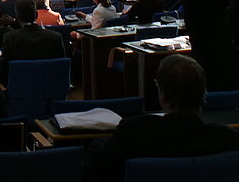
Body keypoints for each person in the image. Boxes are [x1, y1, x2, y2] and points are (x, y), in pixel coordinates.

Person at [84, 55, 239, 182]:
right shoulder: (228, 139)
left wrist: (97, 143)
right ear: (204, 93)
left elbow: (95, 167)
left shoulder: (133, 133)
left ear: (162, 94)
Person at [0, 0, 66, 83]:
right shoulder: (56, 37)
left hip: (20, 88)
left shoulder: (10, 38)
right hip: (51, 87)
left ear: (17, 17)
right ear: (36, 15)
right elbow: (62, 68)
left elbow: (2, 71)